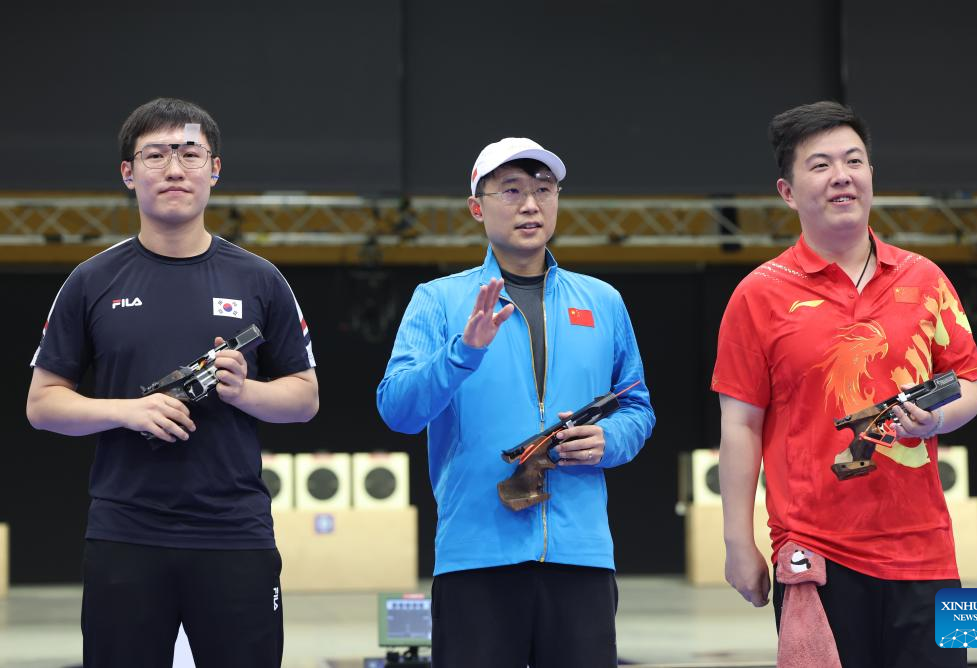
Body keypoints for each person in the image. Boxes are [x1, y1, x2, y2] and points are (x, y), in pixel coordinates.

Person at [26, 97, 319, 667]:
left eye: (190, 152)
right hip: (125, 533)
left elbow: (305, 398)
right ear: (128, 174)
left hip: (235, 533)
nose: (175, 168)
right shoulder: (91, 281)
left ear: (214, 169)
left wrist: (245, 391)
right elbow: (42, 404)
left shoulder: (260, 278)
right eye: (155, 154)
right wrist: (127, 411)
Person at [712, 101, 977, 667]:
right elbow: (740, 423)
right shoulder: (758, 294)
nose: (842, 175)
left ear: (870, 176)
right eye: (821, 165)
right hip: (815, 554)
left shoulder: (926, 278)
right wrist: (739, 542)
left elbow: (970, 383)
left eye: (854, 160)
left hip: (929, 554)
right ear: (787, 191)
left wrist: (937, 419)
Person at [377, 137, 654, 667]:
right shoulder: (438, 300)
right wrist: (462, 353)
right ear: (477, 208)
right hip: (474, 555)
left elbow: (636, 405)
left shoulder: (603, 301)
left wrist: (609, 439)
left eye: (543, 190)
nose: (530, 204)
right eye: (511, 191)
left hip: (582, 556)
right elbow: (398, 410)